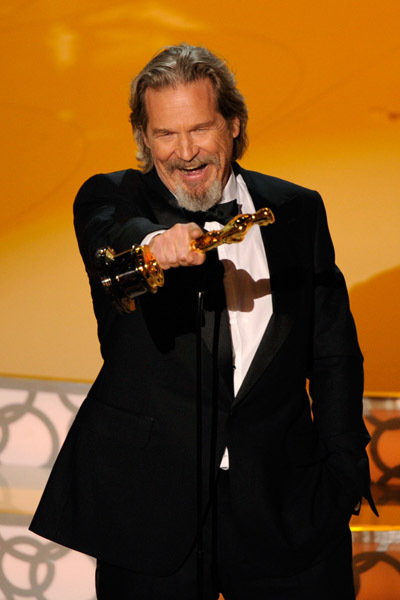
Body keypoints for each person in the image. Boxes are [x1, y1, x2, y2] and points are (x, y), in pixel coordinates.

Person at [30, 43, 377, 599]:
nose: (185, 152)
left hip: (285, 507)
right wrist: (154, 246)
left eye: (200, 129)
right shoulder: (111, 198)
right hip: (151, 512)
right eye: (165, 134)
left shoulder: (296, 209)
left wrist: (344, 470)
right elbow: (114, 241)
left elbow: (332, 352)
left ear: (233, 124)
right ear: (144, 138)